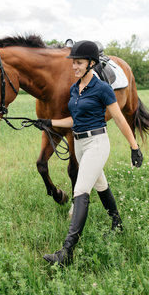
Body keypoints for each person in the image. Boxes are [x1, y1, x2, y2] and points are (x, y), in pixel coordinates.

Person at [35, 40, 143, 266]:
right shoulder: (75, 89)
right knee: (100, 185)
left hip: (97, 143)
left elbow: (120, 118)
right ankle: (117, 223)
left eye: (79, 63)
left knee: (81, 190)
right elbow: (74, 120)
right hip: (80, 145)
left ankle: (67, 252)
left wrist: (134, 146)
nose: (74, 66)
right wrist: (49, 122)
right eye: (73, 62)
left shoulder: (103, 88)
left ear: (91, 64)